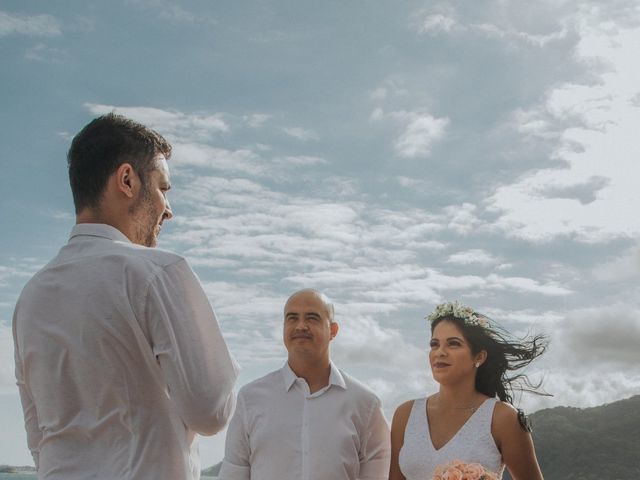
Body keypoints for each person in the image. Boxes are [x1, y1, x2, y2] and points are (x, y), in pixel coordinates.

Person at [12, 113, 239, 480]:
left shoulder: (30, 298)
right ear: (127, 180)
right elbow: (210, 411)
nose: (168, 208)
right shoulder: (157, 273)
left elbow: (39, 436)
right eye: (163, 187)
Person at [219, 288, 391, 480]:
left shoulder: (366, 405)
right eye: (292, 318)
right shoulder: (250, 398)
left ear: (333, 330)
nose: (301, 326)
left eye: (312, 318)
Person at [389, 301, 547, 480]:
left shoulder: (503, 419)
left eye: (453, 344)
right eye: (434, 344)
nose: (440, 352)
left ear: (479, 356)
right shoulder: (406, 414)